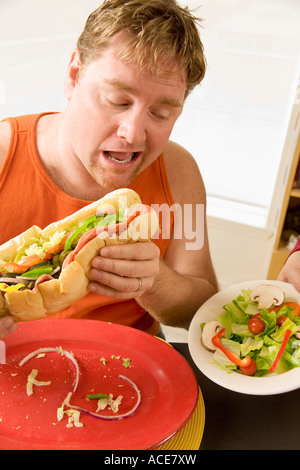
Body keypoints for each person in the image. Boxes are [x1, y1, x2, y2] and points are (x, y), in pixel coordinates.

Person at [0, 0, 218, 339]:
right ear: (74, 75)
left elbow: (202, 307)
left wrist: (153, 281)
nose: (133, 133)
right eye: (117, 101)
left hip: (134, 370)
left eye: (160, 113)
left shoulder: (179, 172)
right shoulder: (3, 156)